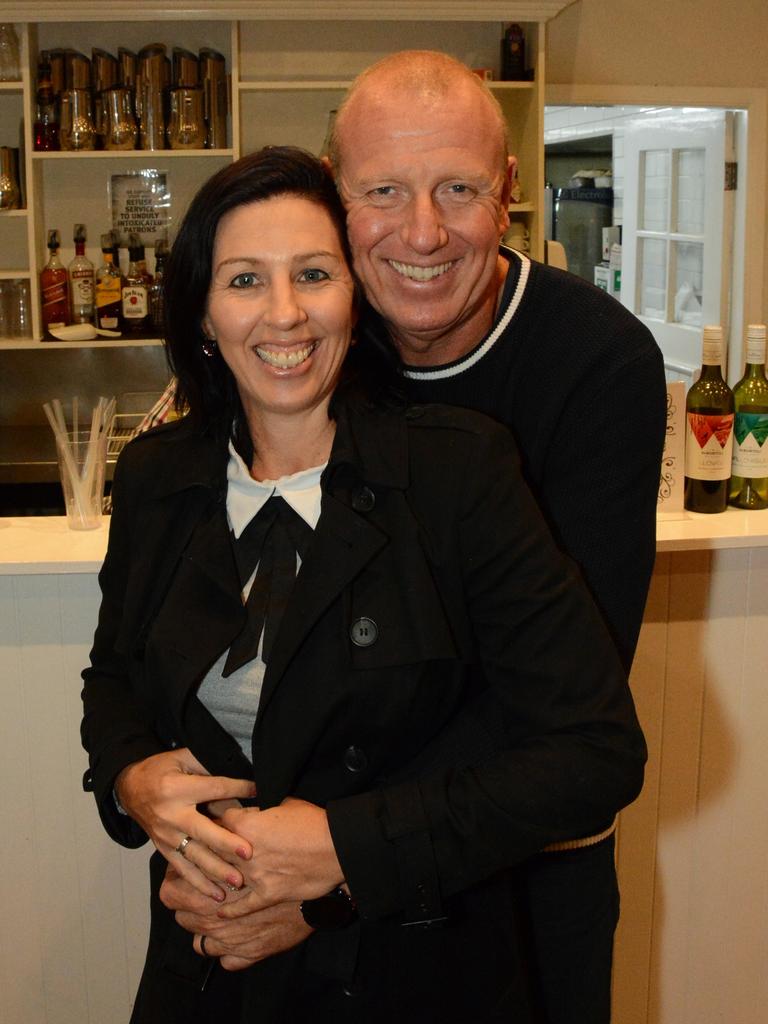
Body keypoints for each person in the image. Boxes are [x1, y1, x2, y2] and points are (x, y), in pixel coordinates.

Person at [81, 146, 646, 1023]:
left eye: (313, 274)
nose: (284, 315)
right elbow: (113, 676)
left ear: (355, 295)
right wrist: (129, 780)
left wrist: (343, 860)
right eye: (243, 281)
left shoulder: (458, 474)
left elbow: (594, 755)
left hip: (412, 970)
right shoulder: (159, 476)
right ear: (200, 312)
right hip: (206, 968)